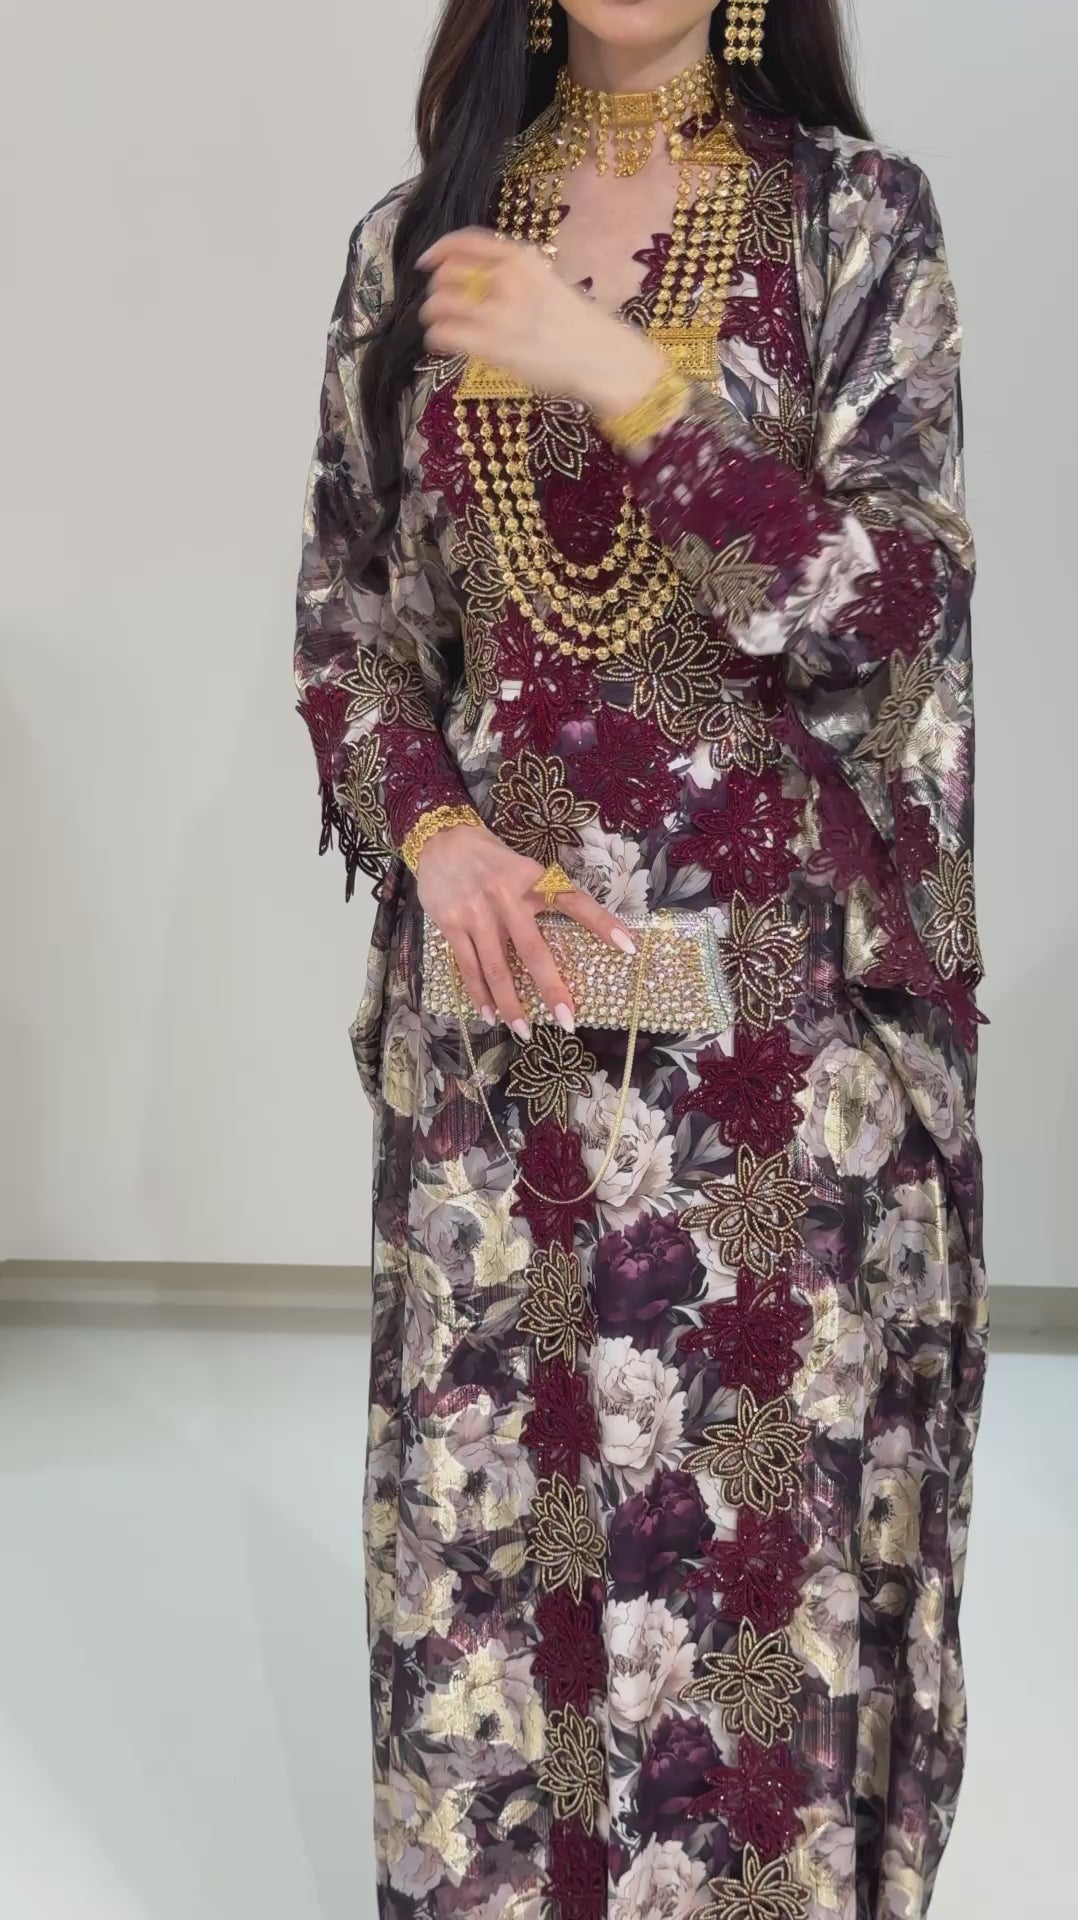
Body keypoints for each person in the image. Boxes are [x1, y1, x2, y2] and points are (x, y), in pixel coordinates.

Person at [294, 3, 988, 1915]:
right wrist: (433, 834)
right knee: (493, 1562)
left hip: (767, 1051)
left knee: (753, 1583)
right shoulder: (416, 244)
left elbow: (892, 604)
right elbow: (351, 613)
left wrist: (631, 385)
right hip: (500, 1030)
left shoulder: (850, 218)